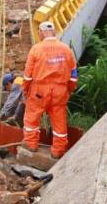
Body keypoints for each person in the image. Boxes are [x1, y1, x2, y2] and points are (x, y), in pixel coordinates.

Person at [22, 21, 78, 159]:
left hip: (39, 90)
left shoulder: (36, 49)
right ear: (54, 32)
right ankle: (58, 150)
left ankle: (31, 144)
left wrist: (25, 90)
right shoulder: (66, 50)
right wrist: (69, 90)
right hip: (60, 90)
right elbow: (73, 75)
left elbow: (28, 75)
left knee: (32, 117)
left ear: (41, 33)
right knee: (59, 121)